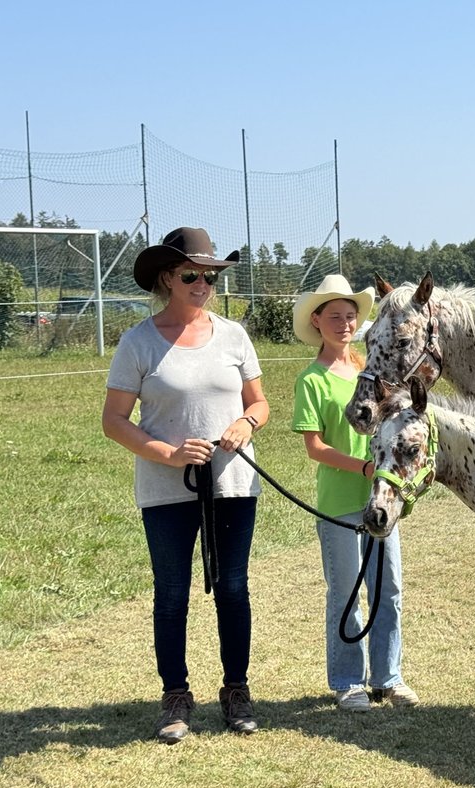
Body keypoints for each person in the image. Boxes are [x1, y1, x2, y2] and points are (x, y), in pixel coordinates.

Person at [102, 226, 267, 744]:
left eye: (211, 276)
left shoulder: (235, 336)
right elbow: (114, 420)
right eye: (192, 275)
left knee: (233, 589)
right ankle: (176, 695)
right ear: (167, 278)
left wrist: (247, 424)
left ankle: (236, 690)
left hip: (234, 483)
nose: (203, 283)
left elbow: (259, 403)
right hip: (165, 489)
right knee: (172, 594)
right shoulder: (139, 341)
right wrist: (167, 453)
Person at [291, 274, 418, 712]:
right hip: (339, 505)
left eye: (350, 317)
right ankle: (348, 681)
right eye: (335, 317)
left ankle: (388, 677)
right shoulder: (311, 380)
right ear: (317, 321)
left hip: (382, 500)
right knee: (346, 593)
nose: (344, 324)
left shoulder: (373, 374)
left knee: (390, 589)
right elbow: (316, 447)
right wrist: (364, 466)